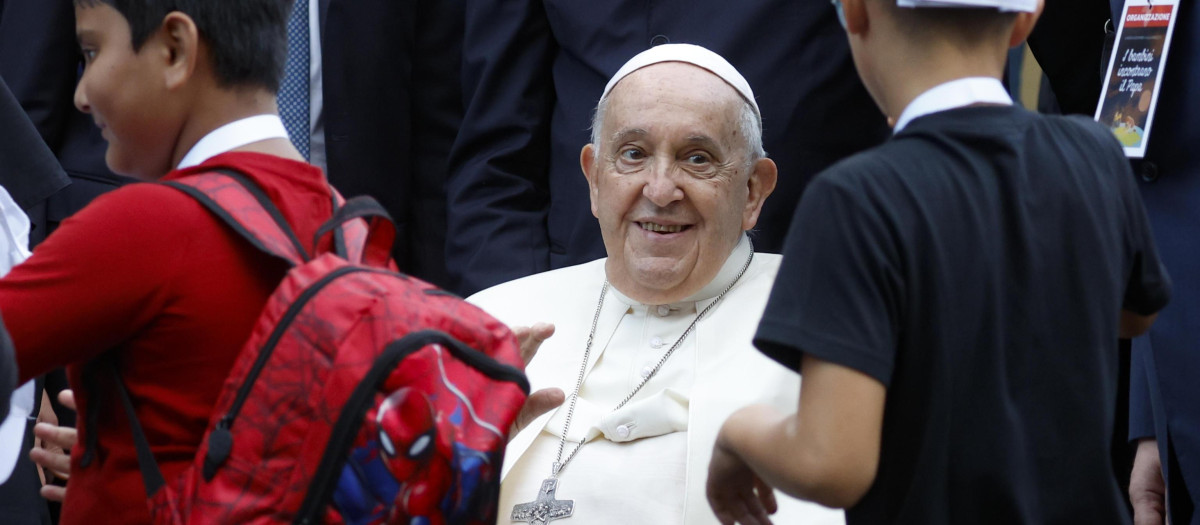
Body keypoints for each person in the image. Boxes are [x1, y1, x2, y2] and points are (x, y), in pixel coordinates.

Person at [706, 0, 1172, 523]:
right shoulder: (1096, 154)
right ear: (1028, 17)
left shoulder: (855, 198)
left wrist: (735, 435)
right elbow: (1134, 315)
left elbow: (831, 463)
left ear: (856, 12)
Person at [468, 44, 842, 524]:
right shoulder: (492, 320)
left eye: (698, 158)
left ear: (752, 191)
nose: (661, 190)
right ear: (594, 180)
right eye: (633, 154)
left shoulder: (827, 322)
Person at [1, 1, 336, 523]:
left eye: (92, 51)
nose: (82, 95)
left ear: (175, 49)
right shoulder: (349, 225)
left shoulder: (142, 226)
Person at [446, 0, 891, 296]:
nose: (660, 190)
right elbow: (495, 153)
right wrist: (522, 312)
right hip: (575, 292)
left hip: (792, 297)